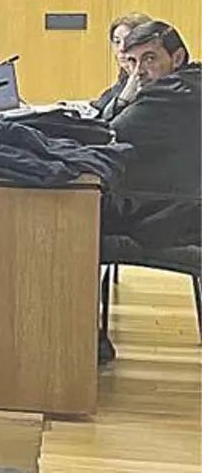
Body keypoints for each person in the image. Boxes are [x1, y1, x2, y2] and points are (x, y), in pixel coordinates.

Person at [98, 20, 201, 362]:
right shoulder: (191, 84)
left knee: (71, 225)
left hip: (175, 220)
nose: (139, 71)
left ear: (177, 57)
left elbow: (107, 135)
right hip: (187, 209)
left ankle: (83, 343)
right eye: (132, 61)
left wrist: (127, 95)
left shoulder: (169, 95)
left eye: (150, 59)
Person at [92, 12, 152, 113]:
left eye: (129, 40)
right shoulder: (124, 77)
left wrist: (123, 100)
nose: (121, 48)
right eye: (117, 42)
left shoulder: (154, 78)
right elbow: (99, 107)